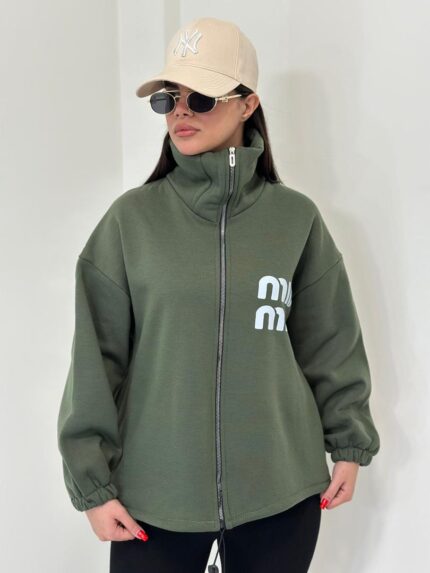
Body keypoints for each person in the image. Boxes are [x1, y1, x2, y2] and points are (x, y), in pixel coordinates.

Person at [56, 16, 381, 573]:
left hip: (280, 492)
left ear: (248, 104)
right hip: (153, 498)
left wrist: (349, 445)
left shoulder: (295, 220)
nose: (180, 112)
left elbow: (330, 343)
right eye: (168, 99)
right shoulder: (130, 222)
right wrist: (92, 485)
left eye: (201, 98)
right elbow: (96, 361)